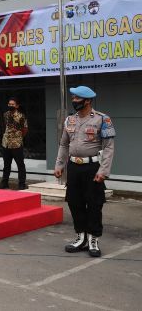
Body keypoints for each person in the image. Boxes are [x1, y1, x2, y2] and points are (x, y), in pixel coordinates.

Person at [54, 86, 115, 258]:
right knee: (74, 202)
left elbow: (109, 147)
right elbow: (64, 144)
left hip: (93, 168)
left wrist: (104, 170)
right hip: (74, 167)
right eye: (73, 98)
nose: (74, 101)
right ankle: (81, 237)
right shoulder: (69, 121)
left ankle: (93, 239)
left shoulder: (103, 119)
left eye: (77, 98)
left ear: (87, 101)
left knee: (94, 204)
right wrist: (59, 165)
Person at [0, 97, 28, 190]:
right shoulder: (5, 115)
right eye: (9, 104)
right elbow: (3, 127)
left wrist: (18, 137)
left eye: (13, 104)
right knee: (6, 164)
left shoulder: (21, 116)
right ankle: (4, 182)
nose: (10, 106)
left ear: (17, 106)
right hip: (6, 143)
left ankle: (22, 183)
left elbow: (25, 129)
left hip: (16, 144)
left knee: (20, 165)